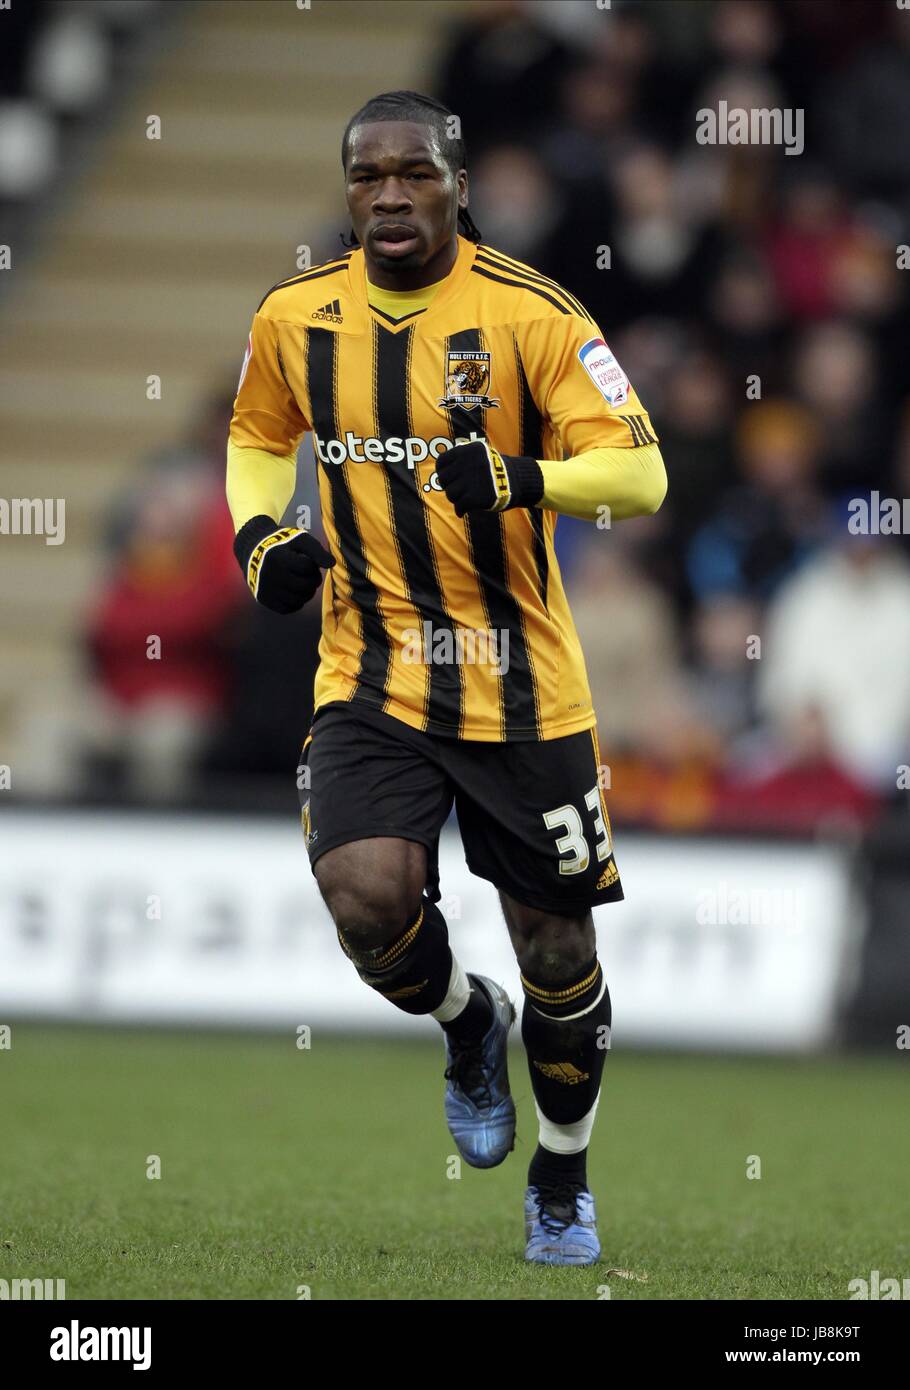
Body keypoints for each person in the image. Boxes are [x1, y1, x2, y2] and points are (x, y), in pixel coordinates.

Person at [226, 91, 667, 1266]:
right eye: (365, 176)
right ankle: (469, 1023)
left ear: (457, 184)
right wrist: (259, 538)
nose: (387, 196)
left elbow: (640, 475)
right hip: (367, 667)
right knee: (365, 898)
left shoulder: (532, 316)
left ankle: (563, 1171)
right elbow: (260, 435)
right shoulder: (294, 316)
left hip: (521, 685)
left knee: (560, 955)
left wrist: (524, 479)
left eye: (411, 173)